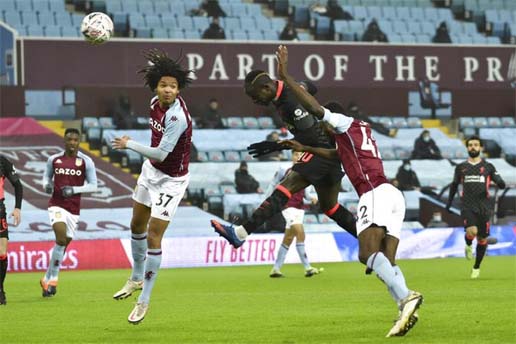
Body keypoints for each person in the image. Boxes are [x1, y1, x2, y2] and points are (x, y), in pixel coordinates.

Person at [275, 45, 422, 337]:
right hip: (392, 194)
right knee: (385, 260)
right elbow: (336, 157)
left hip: (374, 194)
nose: (323, 128)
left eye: (324, 125)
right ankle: (404, 308)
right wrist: (304, 147)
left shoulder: (342, 123)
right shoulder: (358, 133)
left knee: (365, 254)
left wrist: (285, 76)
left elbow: (316, 109)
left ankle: (407, 296)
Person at [211, 69, 357, 249]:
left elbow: (310, 138)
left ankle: (241, 233)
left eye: (255, 95)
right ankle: (369, 240)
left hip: (321, 152)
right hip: (332, 156)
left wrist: (277, 145)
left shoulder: (289, 104)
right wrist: (302, 88)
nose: (255, 101)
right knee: (330, 207)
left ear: (266, 87)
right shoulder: (286, 91)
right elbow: (312, 86)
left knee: (286, 186)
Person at [111, 49, 194, 324]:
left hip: (172, 180)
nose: (168, 90)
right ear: (155, 86)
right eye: (163, 85)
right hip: (151, 173)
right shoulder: (153, 103)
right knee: (136, 224)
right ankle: (135, 277)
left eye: (173, 86)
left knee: (153, 237)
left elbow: (161, 153)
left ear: (179, 89)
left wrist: (128, 145)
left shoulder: (178, 117)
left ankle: (144, 299)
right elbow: (154, 159)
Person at [41, 128, 98, 298]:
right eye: (69, 139)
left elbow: (93, 185)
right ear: (64, 141)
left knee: (63, 244)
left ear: (79, 141)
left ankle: (46, 278)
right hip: (56, 205)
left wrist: (74, 189)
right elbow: (45, 178)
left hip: (73, 208)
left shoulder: (86, 161)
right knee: (60, 238)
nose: (72, 142)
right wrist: (47, 186)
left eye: (75, 140)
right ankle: (54, 280)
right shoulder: (54, 159)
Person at [446, 135, 506, 279]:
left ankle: (476, 267)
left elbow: (498, 179)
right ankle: (468, 244)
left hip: (484, 206)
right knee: (472, 231)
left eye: (476, 145)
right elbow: (454, 185)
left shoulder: (488, 166)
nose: (473, 147)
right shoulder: (461, 168)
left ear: (480, 148)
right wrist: (449, 202)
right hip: (467, 205)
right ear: (467, 148)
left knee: (482, 239)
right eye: (470, 145)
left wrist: (501, 183)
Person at [268, 151, 322, 278]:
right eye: (296, 155)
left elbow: (307, 194)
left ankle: (275, 269)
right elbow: (272, 185)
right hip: (287, 206)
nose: (298, 157)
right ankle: (308, 267)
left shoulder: (307, 174)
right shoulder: (284, 171)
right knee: (300, 232)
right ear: (292, 156)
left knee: (288, 238)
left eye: (300, 155)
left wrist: (312, 198)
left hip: (299, 208)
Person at [0, 155, 23, 305]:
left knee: (2, 253)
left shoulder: (2, 161)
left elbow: (18, 185)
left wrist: (17, 208)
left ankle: (0, 289)